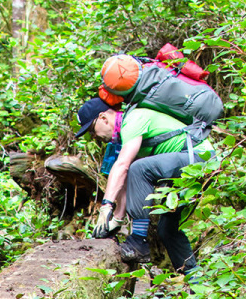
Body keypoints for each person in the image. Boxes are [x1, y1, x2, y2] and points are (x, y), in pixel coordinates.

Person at [76, 95, 215, 273]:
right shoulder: (126, 137)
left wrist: (106, 206)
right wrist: (116, 221)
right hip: (190, 169)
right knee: (167, 229)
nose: (94, 136)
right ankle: (196, 282)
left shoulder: (133, 120)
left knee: (139, 168)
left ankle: (138, 242)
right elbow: (127, 183)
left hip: (200, 158)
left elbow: (125, 167)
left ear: (103, 118)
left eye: (92, 130)